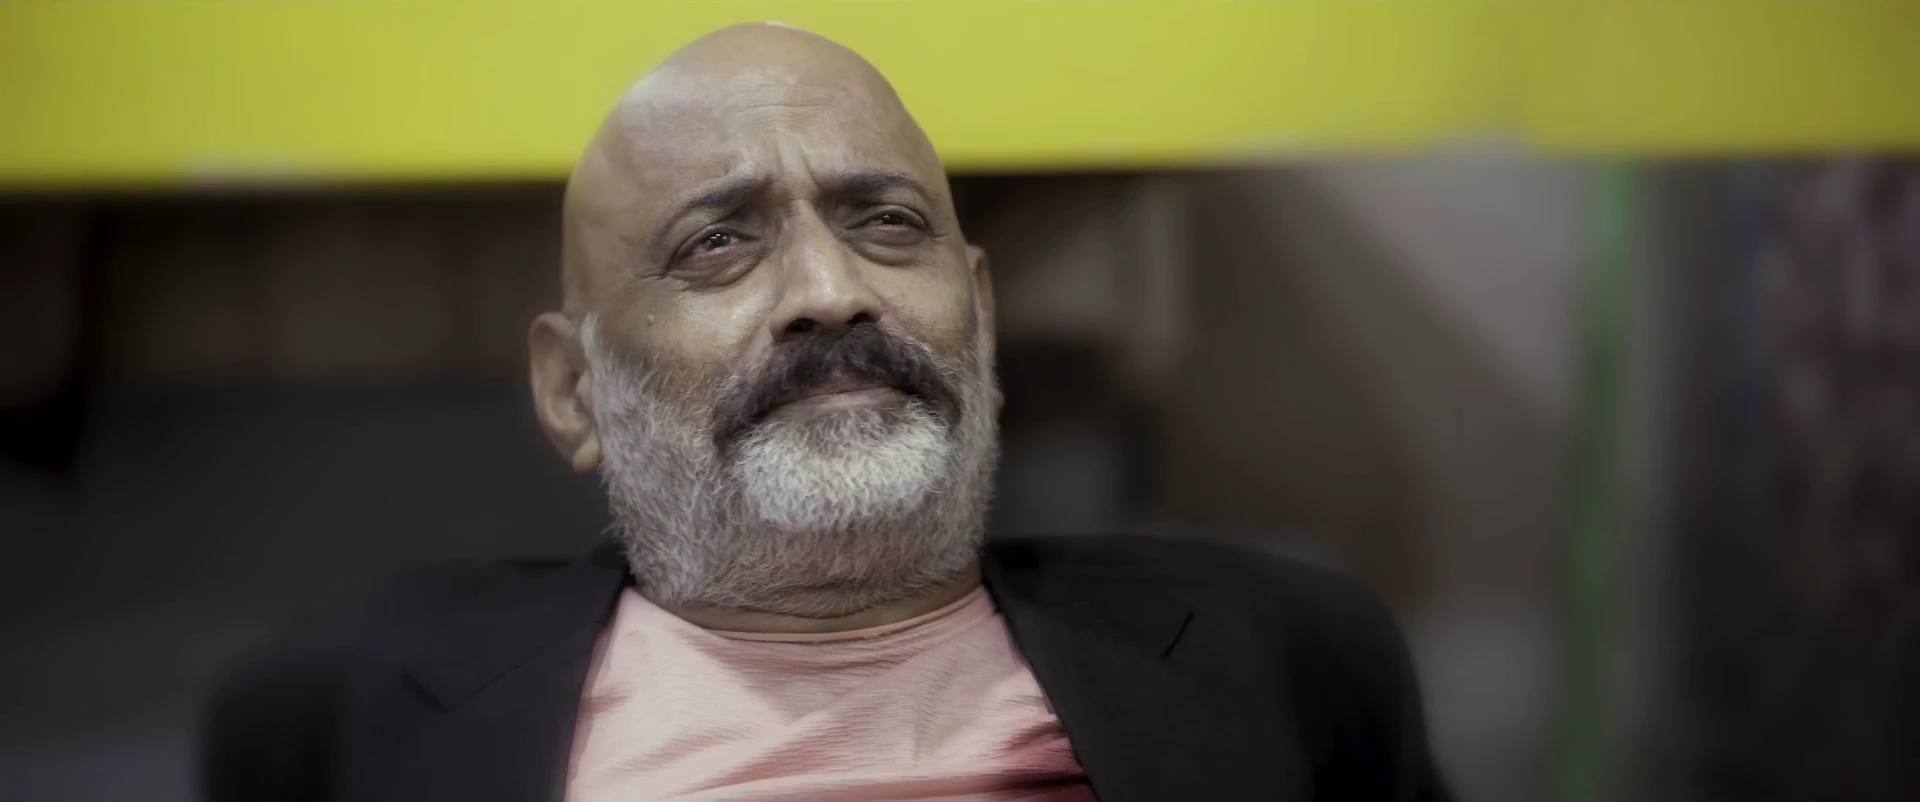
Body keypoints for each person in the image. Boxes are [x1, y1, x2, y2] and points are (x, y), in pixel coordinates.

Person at [199, 23, 1448, 802]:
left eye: (886, 223)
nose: (829, 291)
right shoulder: (335, 710)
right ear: (574, 391)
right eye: (717, 244)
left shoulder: (1296, 659)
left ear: (981, 320)